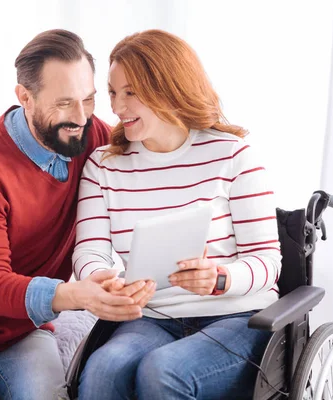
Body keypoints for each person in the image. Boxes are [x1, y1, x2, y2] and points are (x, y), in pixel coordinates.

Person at [0, 29, 156, 400]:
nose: (81, 117)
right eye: (65, 103)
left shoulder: (93, 136)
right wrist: (75, 295)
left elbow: (156, 152)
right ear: (25, 97)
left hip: (24, 327)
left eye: (89, 99)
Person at [74, 29, 282, 400]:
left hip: (236, 317)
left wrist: (220, 278)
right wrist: (103, 281)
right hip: (152, 318)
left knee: (164, 371)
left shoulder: (234, 156)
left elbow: (268, 262)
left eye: (131, 92)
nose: (117, 108)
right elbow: (89, 252)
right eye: (112, 92)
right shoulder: (103, 166)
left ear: (168, 87)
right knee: (104, 369)